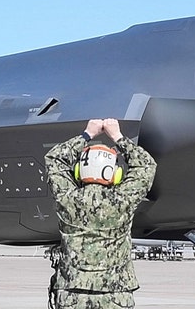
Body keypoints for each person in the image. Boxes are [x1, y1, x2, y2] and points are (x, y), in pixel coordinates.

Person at [45, 118, 157, 309]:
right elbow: (146, 166)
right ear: (114, 174)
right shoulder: (121, 200)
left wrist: (87, 134)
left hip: (73, 294)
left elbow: (55, 159)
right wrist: (117, 136)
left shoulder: (68, 199)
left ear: (79, 171)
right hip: (115, 294)